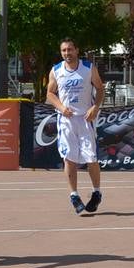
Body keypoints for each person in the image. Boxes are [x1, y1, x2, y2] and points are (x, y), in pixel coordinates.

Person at [46, 37, 105, 214]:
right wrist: (62, 107)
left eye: (70, 50)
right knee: (69, 158)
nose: (67, 53)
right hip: (66, 120)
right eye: (64, 50)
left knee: (91, 158)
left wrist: (95, 107)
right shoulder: (56, 71)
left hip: (85, 119)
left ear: (77, 50)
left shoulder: (88, 68)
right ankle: (74, 195)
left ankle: (96, 193)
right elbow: (50, 93)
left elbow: (100, 89)